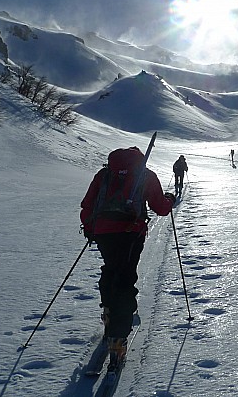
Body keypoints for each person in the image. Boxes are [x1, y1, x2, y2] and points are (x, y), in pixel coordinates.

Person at [80, 147, 175, 369]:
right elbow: (160, 208)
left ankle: (109, 313)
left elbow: (87, 204)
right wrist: (169, 200)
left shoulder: (105, 174)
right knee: (125, 279)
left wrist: (90, 226)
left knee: (111, 269)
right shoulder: (146, 175)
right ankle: (118, 339)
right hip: (131, 233)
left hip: (103, 233)